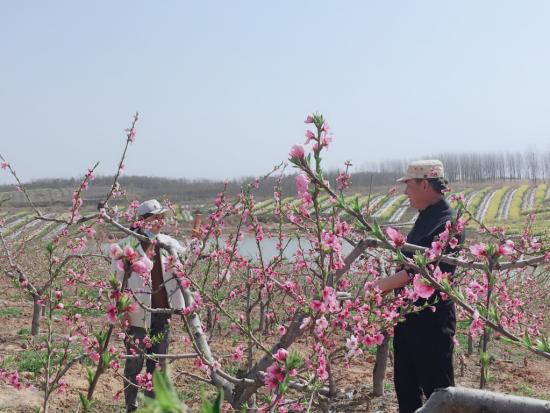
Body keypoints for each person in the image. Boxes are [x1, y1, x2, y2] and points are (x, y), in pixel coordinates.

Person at [374, 160, 465, 413]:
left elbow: (420, 273)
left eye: (409, 185)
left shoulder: (448, 225)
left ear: (425, 184)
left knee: (440, 397)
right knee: (406, 391)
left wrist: (376, 288)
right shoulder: (425, 219)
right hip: (409, 320)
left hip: (432, 326)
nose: (405, 192)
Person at [111, 199, 200, 412]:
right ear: (142, 221)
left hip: (163, 313)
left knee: (158, 364)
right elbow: (116, 283)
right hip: (137, 316)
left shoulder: (168, 243)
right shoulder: (126, 246)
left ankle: (152, 406)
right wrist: (120, 313)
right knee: (134, 363)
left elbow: (187, 256)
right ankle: (131, 407)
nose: (161, 221)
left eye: (162, 217)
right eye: (155, 217)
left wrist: (197, 240)